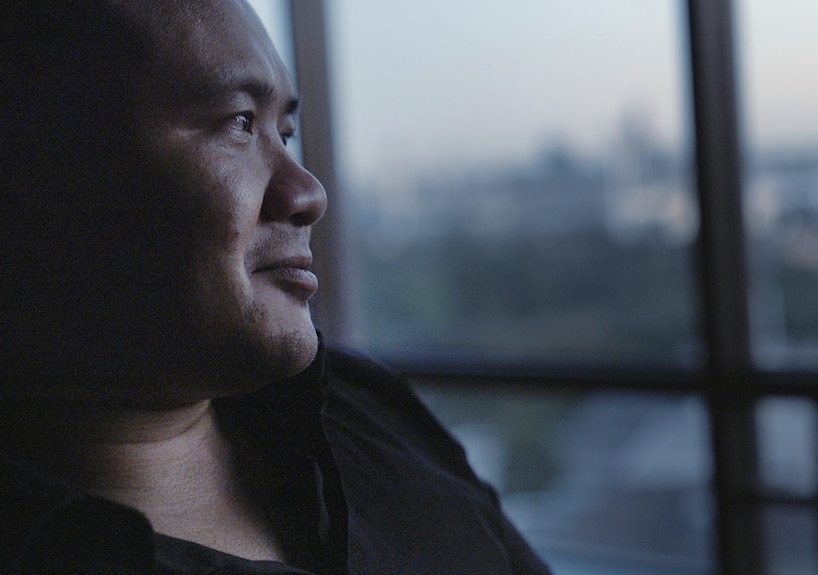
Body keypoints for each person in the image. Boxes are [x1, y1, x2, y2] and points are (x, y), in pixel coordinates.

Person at [0, 1, 551, 573]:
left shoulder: (365, 407)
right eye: (239, 122)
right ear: (41, 167)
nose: (308, 193)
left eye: (284, 132)